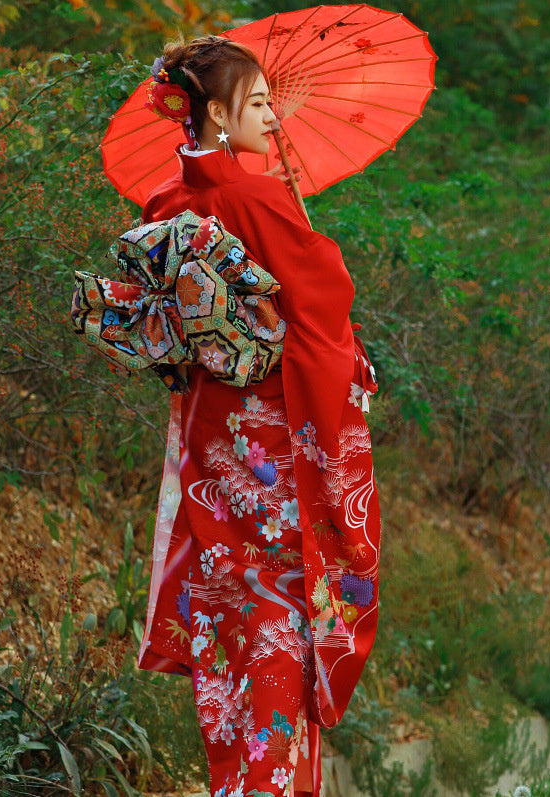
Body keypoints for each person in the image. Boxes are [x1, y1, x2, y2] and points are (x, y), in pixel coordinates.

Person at [135, 35, 381, 797]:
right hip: (273, 438)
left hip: (211, 435)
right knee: (280, 620)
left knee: (231, 614)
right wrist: (352, 368)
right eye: (261, 104)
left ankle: (234, 782)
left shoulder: (165, 203)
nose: (272, 120)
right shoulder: (257, 196)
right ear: (215, 111)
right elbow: (318, 311)